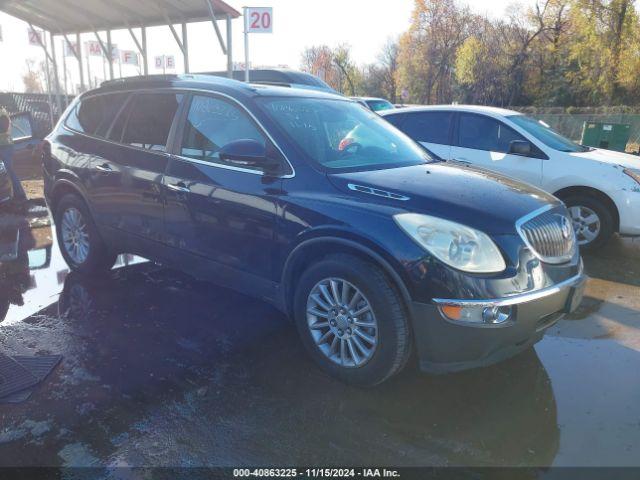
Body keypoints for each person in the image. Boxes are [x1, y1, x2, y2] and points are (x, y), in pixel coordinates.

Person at [0, 107, 28, 203]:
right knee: (6, 172)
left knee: (9, 172)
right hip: (5, 146)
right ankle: (15, 195)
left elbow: (2, 129)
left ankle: (20, 195)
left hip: (5, 146)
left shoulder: (2, 114)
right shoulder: (2, 112)